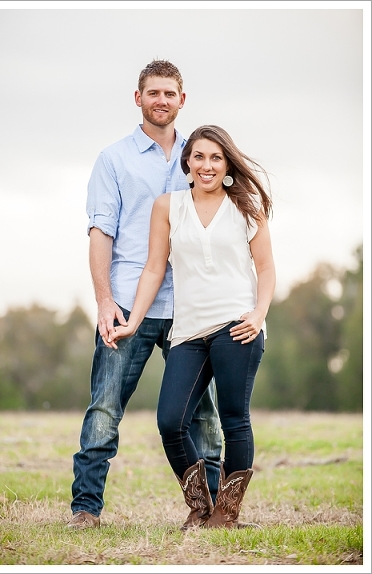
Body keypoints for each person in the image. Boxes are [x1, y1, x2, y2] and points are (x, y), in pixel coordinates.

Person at [69, 60, 223, 529]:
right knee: (105, 407)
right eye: (152, 92)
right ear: (138, 98)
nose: (161, 100)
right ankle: (86, 508)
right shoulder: (113, 159)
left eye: (169, 93)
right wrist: (103, 301)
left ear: (182, 100)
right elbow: (100, 233)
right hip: (126, 305)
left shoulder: (197, 159)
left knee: (202, 415)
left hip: (190, 307)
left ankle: (213, 507)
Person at [109, 124, 275, 529]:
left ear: (227, 163)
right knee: (170, 421)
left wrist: (257, 314)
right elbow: (153, 268)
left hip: (237, 326)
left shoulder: (246, 206)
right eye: (199, 156)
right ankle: (200, 506)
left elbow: (267, 269)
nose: (207, 165)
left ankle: (226, 514)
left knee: (234, 417)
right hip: (188, 331)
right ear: (188, 162)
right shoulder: (168, 206)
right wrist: (132, 320)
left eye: (216, 157)